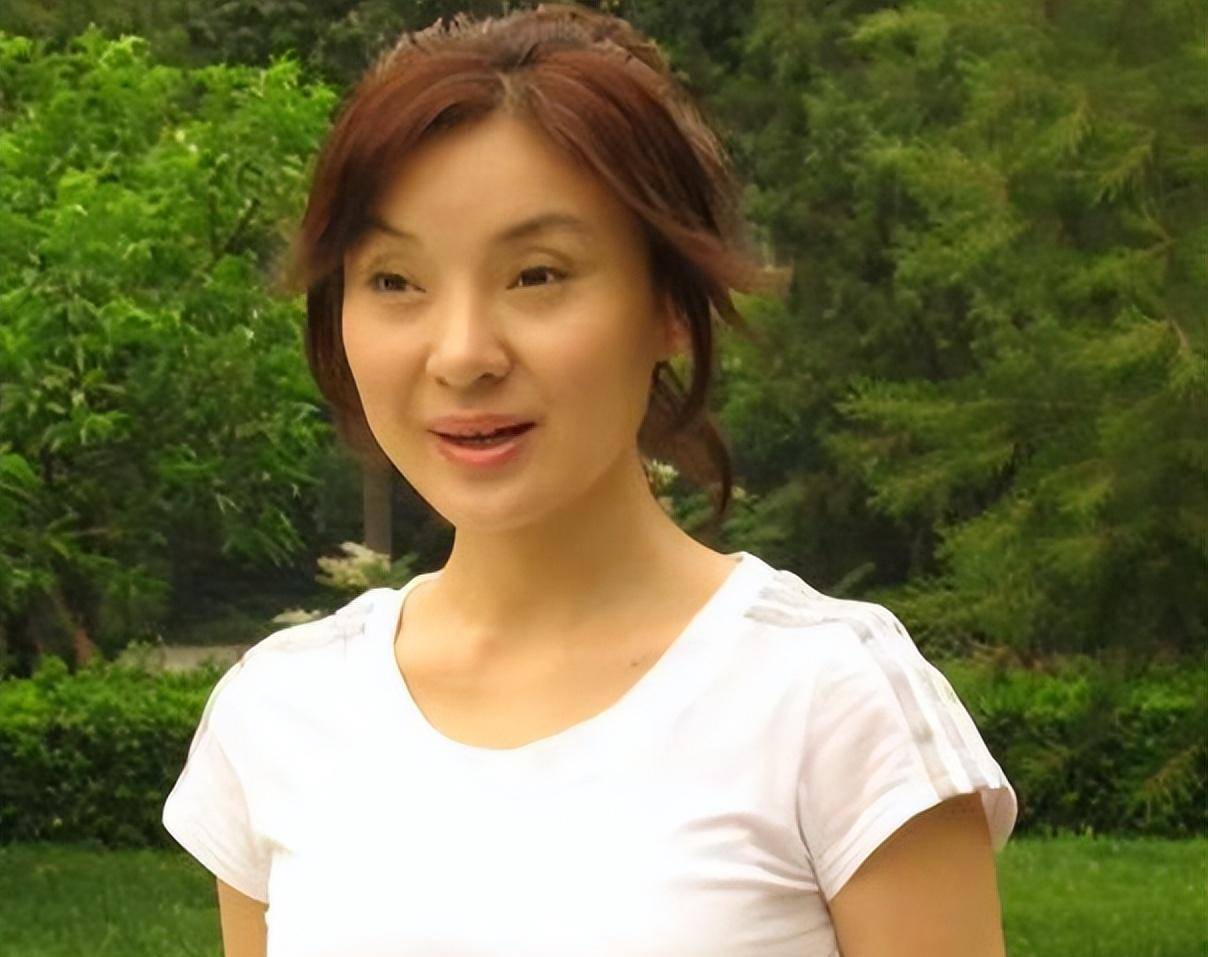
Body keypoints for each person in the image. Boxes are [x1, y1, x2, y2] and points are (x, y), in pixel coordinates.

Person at [162, 4, 1018, 955]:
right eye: (395, 281)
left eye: (536, 275)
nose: (463, 354)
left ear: (670, 307)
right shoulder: (280, 714)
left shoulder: (830, 699)